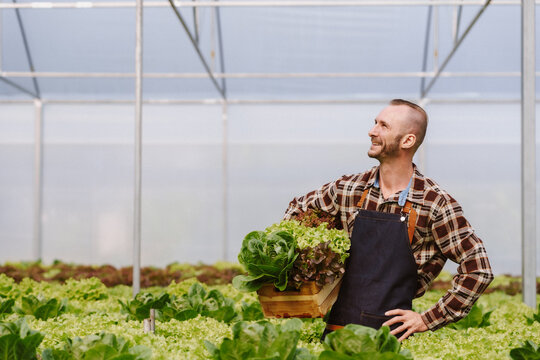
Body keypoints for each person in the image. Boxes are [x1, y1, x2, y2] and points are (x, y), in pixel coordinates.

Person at [283, 99, 494, 341]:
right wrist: (306, 270)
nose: (372, 131)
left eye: (384, 126)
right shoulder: (349, 189)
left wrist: (428, 318)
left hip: (391, 343)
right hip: (335, 337)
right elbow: (298, 210)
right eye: (375, 123)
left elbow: (479, 269)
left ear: (407, 140)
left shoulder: (433, 203)